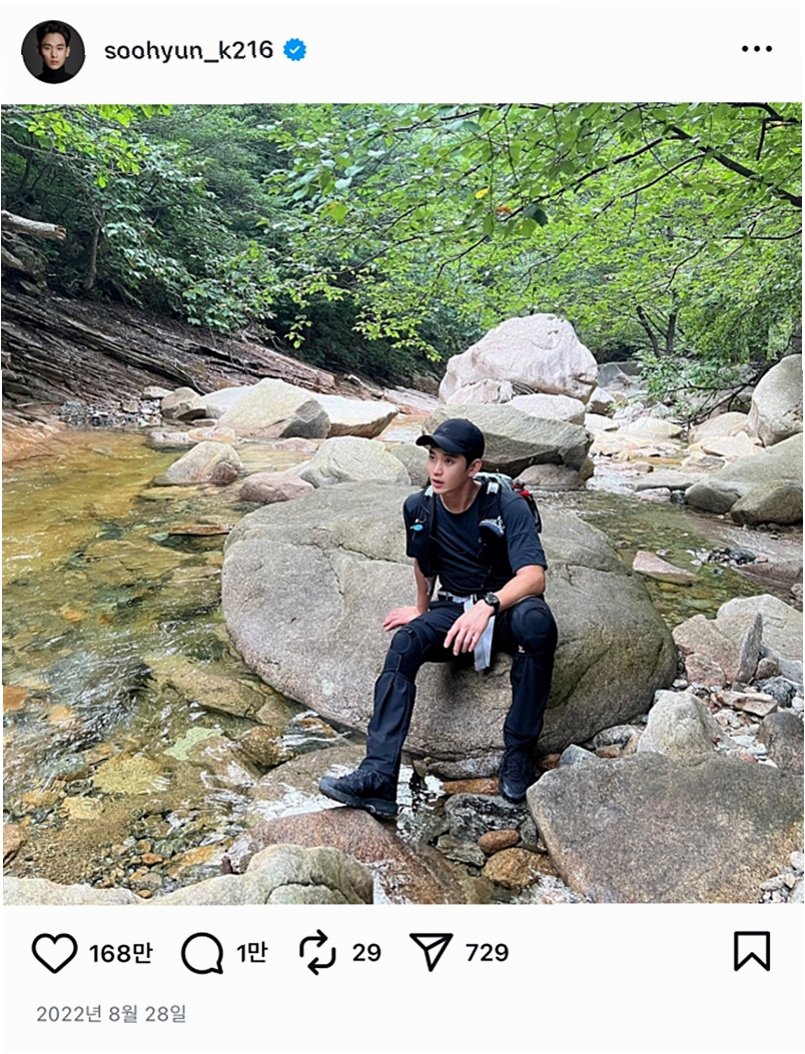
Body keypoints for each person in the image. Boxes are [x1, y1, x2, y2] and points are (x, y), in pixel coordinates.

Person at [319, 417, 558, 819]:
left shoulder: (506, 505)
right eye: (432, 458)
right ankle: (378, 776)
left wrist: (488, 605)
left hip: (505, 607)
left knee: (538, 625)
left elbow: (534, 577)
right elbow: (423, 564)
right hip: (453, 608)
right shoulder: (419, 506)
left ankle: (518, 752)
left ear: (474, 467)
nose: (436, 469)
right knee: (405, 642)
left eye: (449, 461)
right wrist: (420, 609)